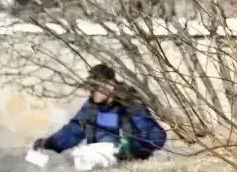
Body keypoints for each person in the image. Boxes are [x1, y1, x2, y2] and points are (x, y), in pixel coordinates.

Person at [32, 63, 167, 163]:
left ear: (110, 85)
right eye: (90, 87)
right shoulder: (91, 107)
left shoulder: (130, 104)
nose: (92, 91)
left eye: (96, 87)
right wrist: (49, 142)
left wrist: (132, 151)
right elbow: (74, 130)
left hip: (128, 161)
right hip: (99, 162)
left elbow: (155, 136)